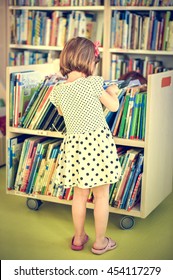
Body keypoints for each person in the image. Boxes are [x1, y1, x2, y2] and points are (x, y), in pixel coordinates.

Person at [50, 37, 122, 255]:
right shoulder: (93, 83)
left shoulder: (59, 90)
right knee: (100, 195)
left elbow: (62, 112)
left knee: (79, 195)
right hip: (97, 144)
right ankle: (100, 242)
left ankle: (79, 237)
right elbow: (114, 106)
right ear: (89, 61)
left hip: (75, 146)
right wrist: (112, 92)